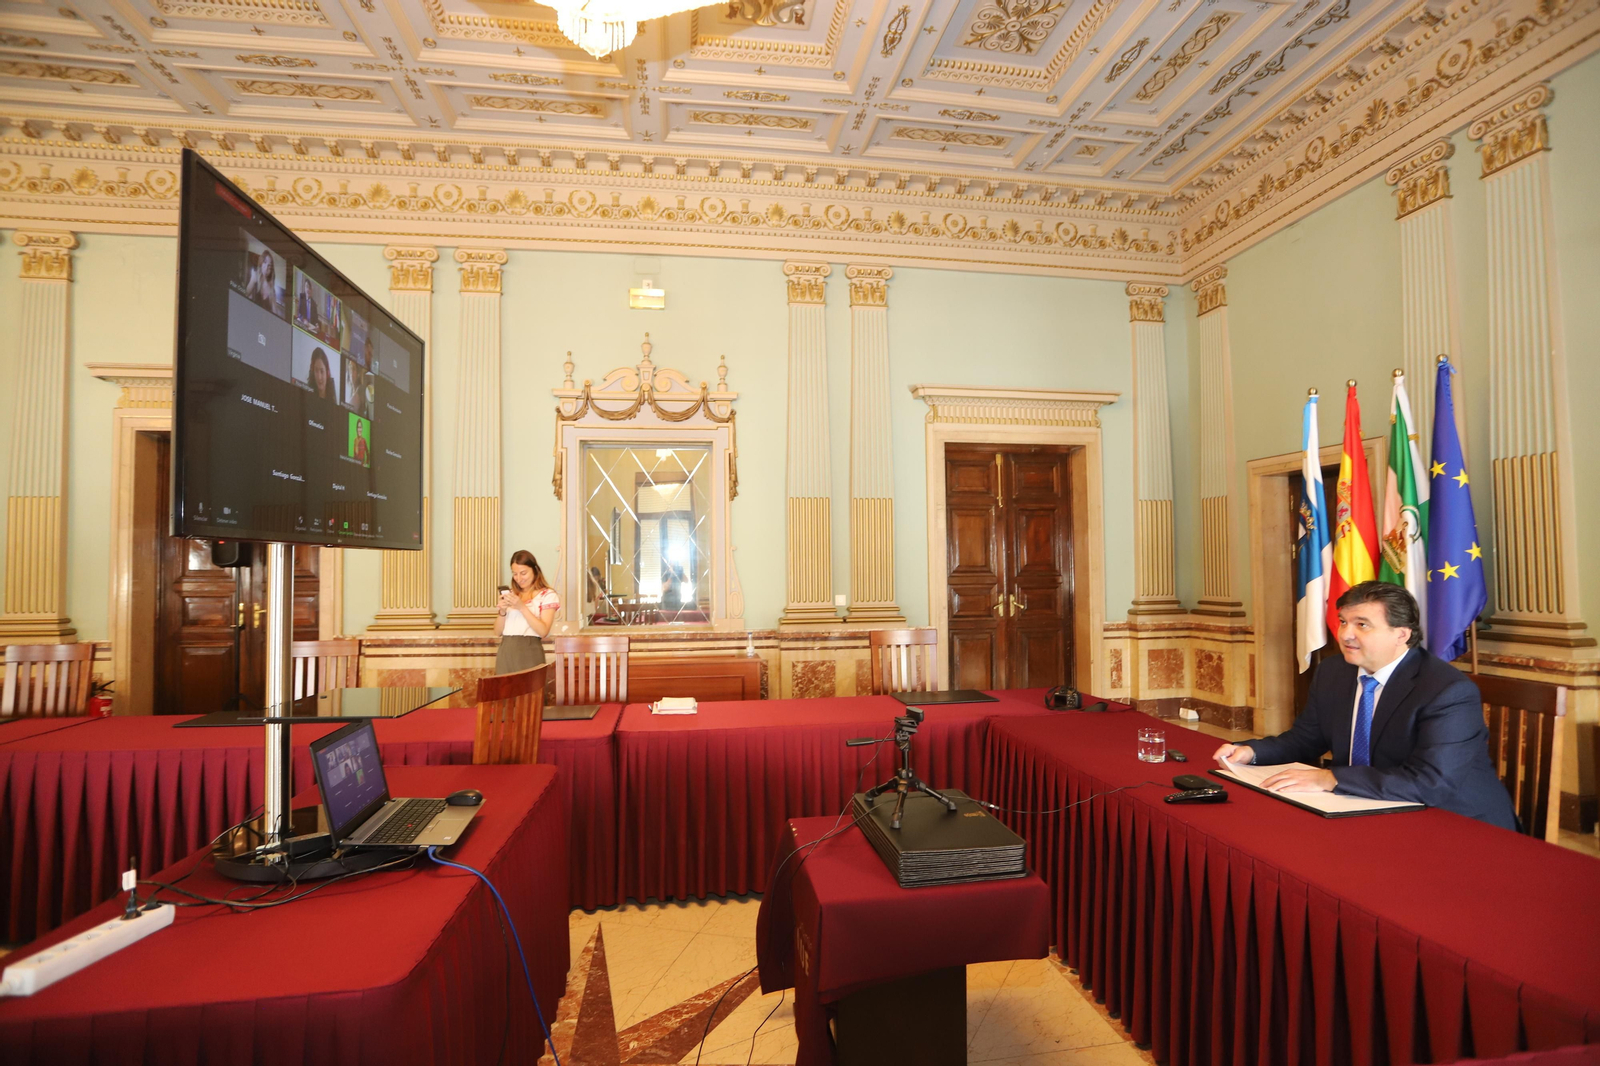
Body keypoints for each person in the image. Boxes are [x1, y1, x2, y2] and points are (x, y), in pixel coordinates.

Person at [1212, 581, 1517, 830]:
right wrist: (1252, 752)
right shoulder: (1334, 671)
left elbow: (1431, 782)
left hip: (1454, 821)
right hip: (1366, 808)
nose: (1345, 634)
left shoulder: (1447, 691)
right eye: (1343, 622)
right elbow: (1307, 738)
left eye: (1362, 624)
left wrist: (1330, 778)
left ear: (1401, 634)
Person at [494, 549, 560, 674]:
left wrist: (522, 607)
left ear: (535, 570)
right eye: (515, 574)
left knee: (530, 692)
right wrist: (502, 611)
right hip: (506, 651)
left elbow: (543, 631)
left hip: (529, 651)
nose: (519, 578)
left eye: (523, 573)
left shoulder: (547, 595)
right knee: (504, 692)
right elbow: (497, 632)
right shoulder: (512, 595)